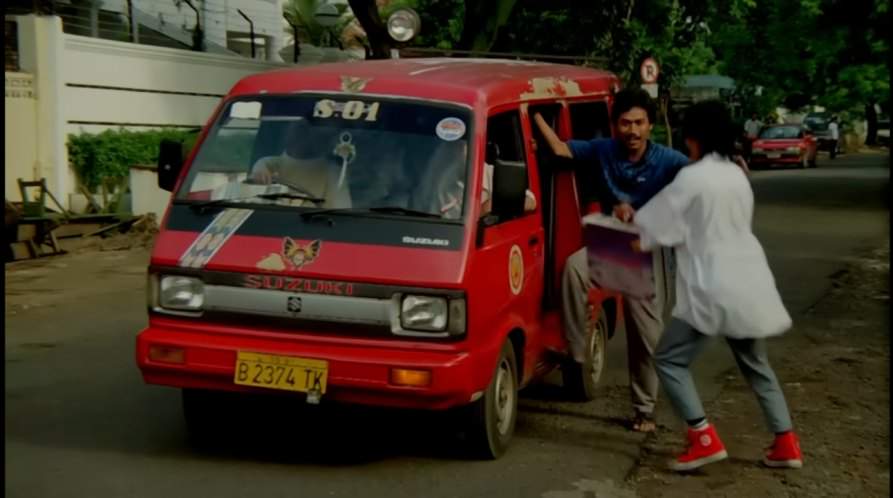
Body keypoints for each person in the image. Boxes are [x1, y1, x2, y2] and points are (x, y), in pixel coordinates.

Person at [632, 100, 802, 472]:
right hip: (749, 280)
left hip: (711, 285)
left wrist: (629, 226)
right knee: (756, 364)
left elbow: (653, 228)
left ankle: (702, 437)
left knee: (669, 360)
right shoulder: (737, 174)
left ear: (693, 137)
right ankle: (786, 442)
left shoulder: (692, 178)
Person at [533, 88, 690, 433]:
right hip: (614, 245)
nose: (632, 130)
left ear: (650, 126)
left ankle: (644, 410)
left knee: (646, 338)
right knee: (574, 269)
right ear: (615, 125)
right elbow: (559, 149)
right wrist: (535, 114)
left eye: (639, 123)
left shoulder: (669, 160)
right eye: (625, 123)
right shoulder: (602, 149)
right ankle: (576, 354)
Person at [249, 118, 352, 209]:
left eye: (305, 129)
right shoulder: (268, 164)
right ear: (286, 132)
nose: (299, 135)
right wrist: (260, 175)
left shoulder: (333, 171)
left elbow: (340, 213)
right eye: (298, 128)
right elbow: (252, 198)